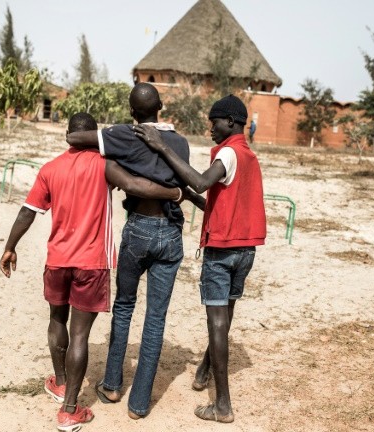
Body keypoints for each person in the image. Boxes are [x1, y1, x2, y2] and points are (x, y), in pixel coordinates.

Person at [0, 112, 185, 432]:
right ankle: (70, 410)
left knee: (57, 320)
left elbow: (27, 212)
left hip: (57, 260)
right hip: (91, 263)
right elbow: (134, 184)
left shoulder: (50, 168)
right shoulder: (104, 165)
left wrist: (10, 246)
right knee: (81, 334)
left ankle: (59, 384)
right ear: (93, 136)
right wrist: (173, 194)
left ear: (69, 135)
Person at [133, 94, 267, 424]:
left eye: (215, 122)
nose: (210, 128)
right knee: (226, 315)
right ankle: (206, 367)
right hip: (245, 250)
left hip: (222, 253)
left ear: (232, 123)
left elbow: (202, 182)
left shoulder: (229, 152)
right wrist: (186, 196)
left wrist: (161, 146)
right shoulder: (248, 155)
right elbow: (217, 201)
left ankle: (221, 405)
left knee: (217, 321)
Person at [66, 83, 195, 419]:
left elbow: (76, 139)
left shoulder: (127, 134)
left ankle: (111, 385)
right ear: (161, 106)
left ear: (132, 111)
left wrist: (113, 138)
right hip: (171, 231)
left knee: (124, 306)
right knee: (156, 317)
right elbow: (181, 183)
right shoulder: (180, 142)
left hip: (139, 227)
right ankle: (139, 405)